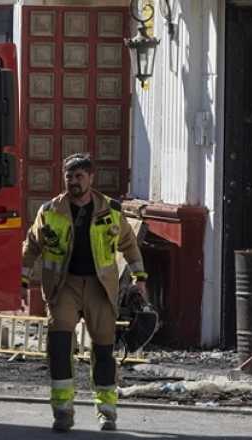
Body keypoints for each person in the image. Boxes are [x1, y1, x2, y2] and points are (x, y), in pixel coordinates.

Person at [21, 153, 148, 432]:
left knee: (103, 350)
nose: (73, 181)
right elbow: (31, 246)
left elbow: (129, 245)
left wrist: (140, 277)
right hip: (62, 286)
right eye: (69, 176)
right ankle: (63, 410)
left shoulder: (111, 211)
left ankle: (106, 410)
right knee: (59, 346)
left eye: (79, 176)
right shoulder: (50, 211)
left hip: (99, 288)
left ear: (91, 178)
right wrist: (22, 279)